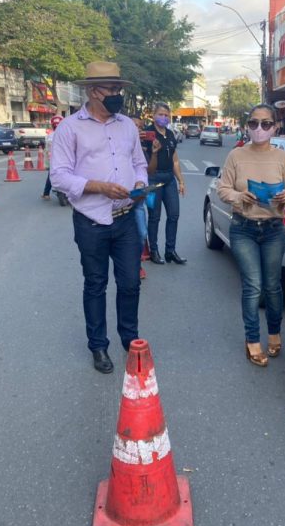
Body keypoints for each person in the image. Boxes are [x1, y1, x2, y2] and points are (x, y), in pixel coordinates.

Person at [50, 61, 148, 374]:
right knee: (95, 284)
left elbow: (140, 163)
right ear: (93, 91)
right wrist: (98, 187)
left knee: (131, 283)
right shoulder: (69, 128)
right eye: (112, 89)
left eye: (120, 89)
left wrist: (141, 184)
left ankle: (129, 339)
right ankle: (98, 345)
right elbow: (59, 177)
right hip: (91, 221)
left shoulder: (128, 126)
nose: (118, 95)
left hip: (126, 218)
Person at [217, 103, 285, 367]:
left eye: (265, 124)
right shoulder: (236, 156)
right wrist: (239, 196)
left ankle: (274, 332)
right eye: (254, 123)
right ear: (247, 126)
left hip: (274, 229)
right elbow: (223, 189)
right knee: (253, 286)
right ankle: (252, 339)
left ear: (274, 127)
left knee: (273, 286)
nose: (259, 129)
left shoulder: (283, 157)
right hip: (244, 228)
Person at [143, 103, 187, 265]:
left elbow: (175, 160)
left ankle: (170, 251)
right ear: (153, 115)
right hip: (153, 179)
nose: (164, 117)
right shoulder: (147, 134)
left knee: (174, 215)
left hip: (169, 179)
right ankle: (154, 251)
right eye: (161, 114)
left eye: (167, 115)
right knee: (154, 217)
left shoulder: (170, 134)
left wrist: (181, 181)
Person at [131, 115, 161, 280]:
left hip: (138, 200)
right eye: (134, 126)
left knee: (142, 234)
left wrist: (155, 153)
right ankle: (131, 265)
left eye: (140, 127)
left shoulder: (143, 149)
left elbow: (149, 171)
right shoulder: (118, 147)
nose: (137, 129)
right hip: (119, 201)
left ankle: (137, 263)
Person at [41, 115, 64, 201]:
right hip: (66, 161)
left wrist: (47, 165)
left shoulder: (49, 137)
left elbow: (47, 152)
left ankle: (46, 194)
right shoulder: (68, 134)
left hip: (54, 162)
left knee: (51, 175)